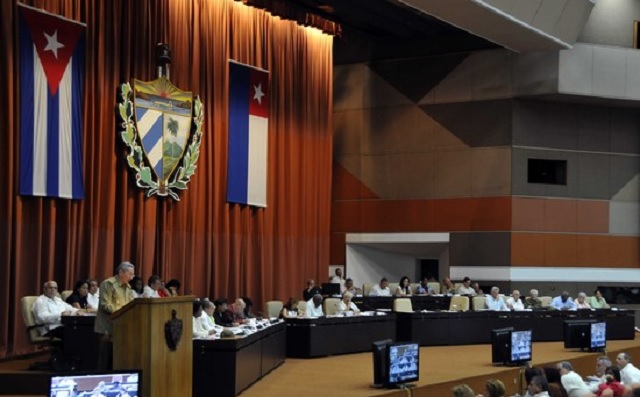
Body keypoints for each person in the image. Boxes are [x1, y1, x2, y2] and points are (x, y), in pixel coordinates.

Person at [95, 261, 136, 370]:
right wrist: (122, 313)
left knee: (118, 362)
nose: (132, 277)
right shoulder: (107, 284)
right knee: (105, 362)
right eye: (130, 274)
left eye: (133, 274)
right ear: (121, 272)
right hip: (107, 329)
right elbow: (105, 305)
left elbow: (131, 305)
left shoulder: (128, 287)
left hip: (122, 328)